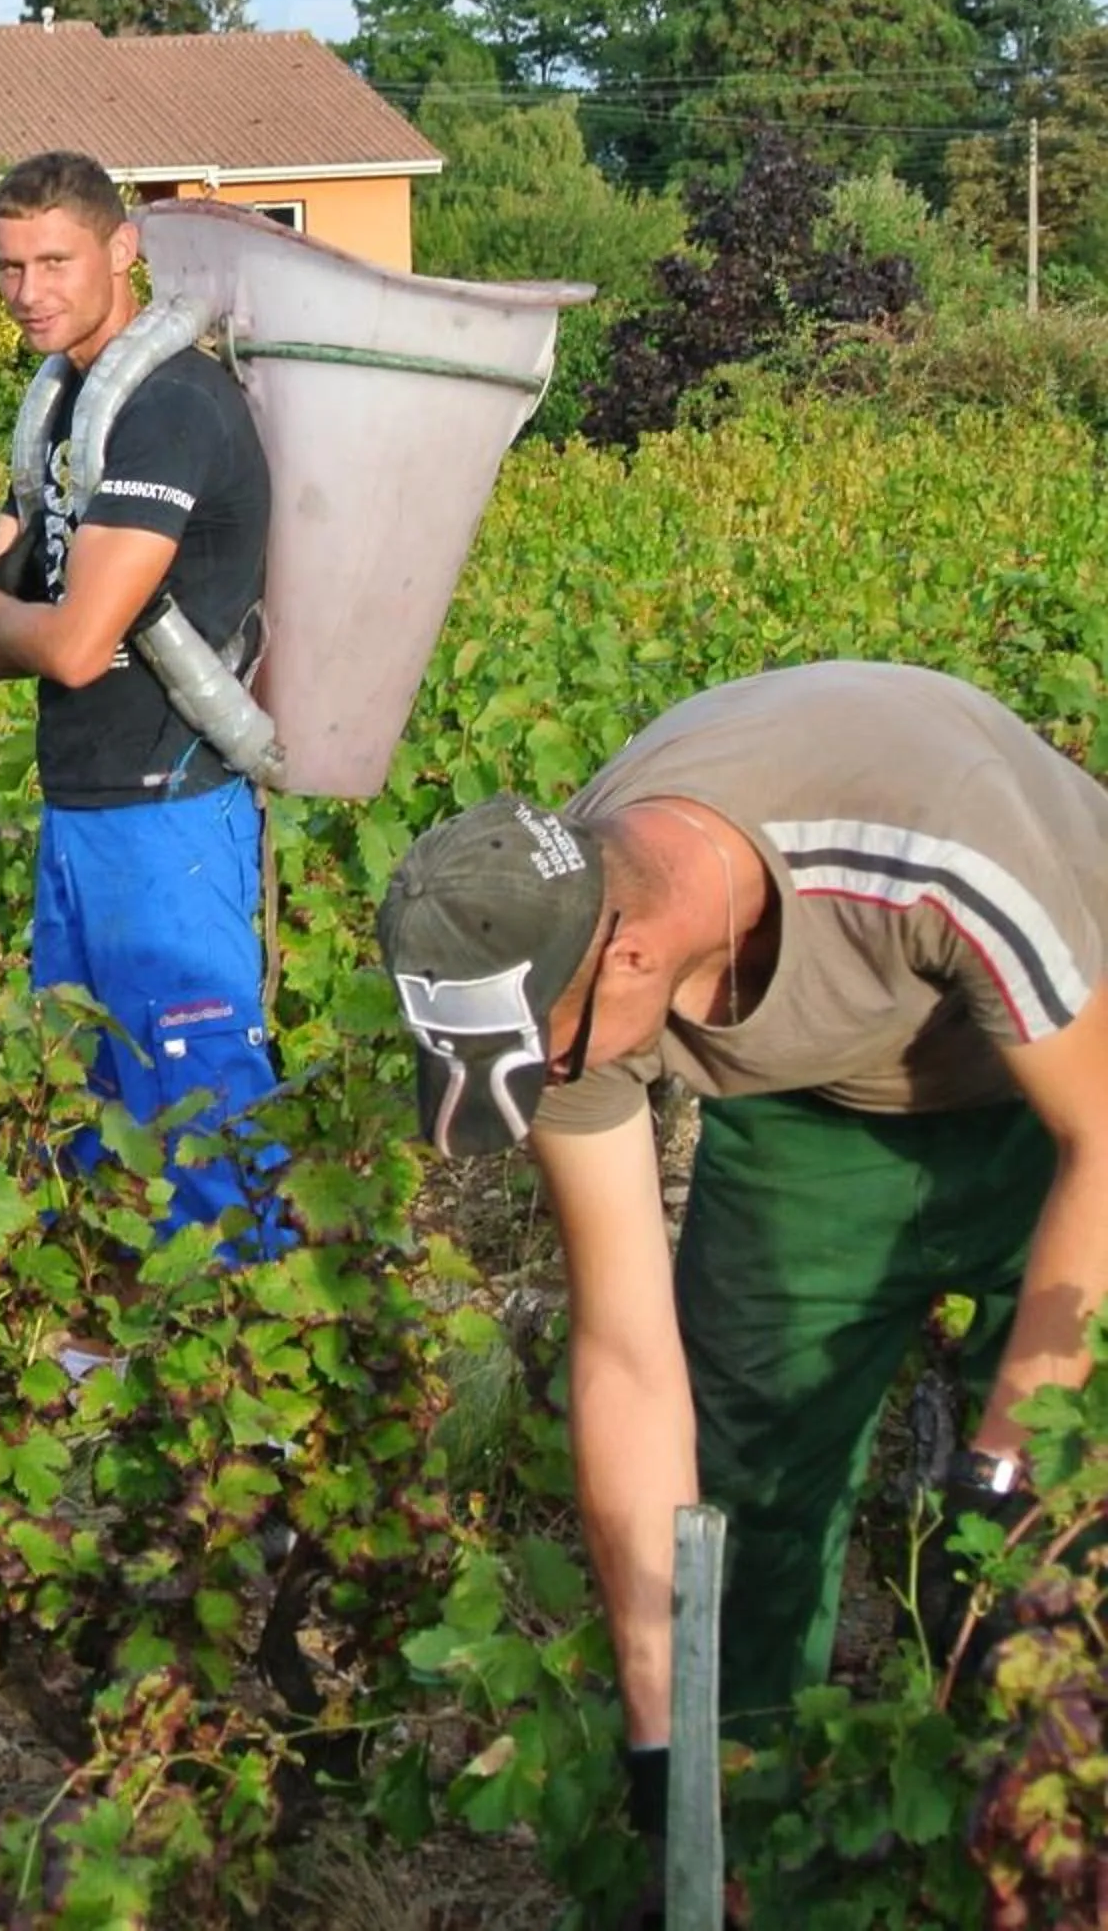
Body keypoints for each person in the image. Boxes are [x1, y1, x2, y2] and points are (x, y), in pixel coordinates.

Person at [375, 660, 1108, 1822]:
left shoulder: (930, 844)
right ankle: (753, 1820)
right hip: (820, 1101)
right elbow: (624, 1345)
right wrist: (667, 1739)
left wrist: (1004, 1475)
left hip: (1060, 1083)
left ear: (627, 958)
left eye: (551, 1061)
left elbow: (1103, 1142)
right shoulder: (555, 961)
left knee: (1061, 1514)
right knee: (752, 1472)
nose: (551, 1088)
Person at [0, 149, 287, 1257]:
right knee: (87, 1103)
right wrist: (15, 626)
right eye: (9, 268)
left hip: (171, 808)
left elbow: (60, 641)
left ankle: (257, 1386)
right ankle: (110, 1357)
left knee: (201, 1105)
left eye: (54, 261)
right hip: (84, 804)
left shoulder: (171, 409)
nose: (30, 291)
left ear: (122, 251)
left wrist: (12, 622)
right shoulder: (59, 410)